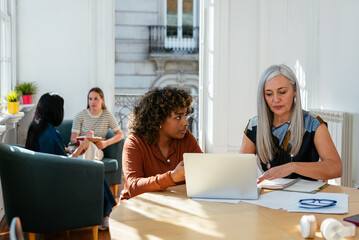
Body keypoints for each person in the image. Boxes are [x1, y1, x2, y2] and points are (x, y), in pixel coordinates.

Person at [25, 92, 116, 231]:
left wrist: (68, 150)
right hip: (56, 182)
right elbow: (63, 165)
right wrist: (80, 148)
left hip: (41, 179)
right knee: (95, 171)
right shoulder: (51, 134)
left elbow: (53, 155)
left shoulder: (36, 128)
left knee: (93, 169)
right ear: (55, 111)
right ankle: (106, 215)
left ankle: (105, 214)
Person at [240, 64, 342, 183]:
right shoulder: (254, 126)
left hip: (303, 197)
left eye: (282, 92)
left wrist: (292, 167)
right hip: (268, 195)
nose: (276, 99)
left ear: (294, 91)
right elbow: (240, 170)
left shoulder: (314, 125)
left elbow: (336, 168)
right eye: (269, 94)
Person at [120, 87, 202, 201]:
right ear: (158, 120)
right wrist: (171, 177)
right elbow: (134, 187)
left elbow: (203, 172)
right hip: (136, 208)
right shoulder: (134, 142)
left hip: (175, 205)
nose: (186, 122)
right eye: (178, 117)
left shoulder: (186, 137)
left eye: (185, 116)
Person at [70, 87, 123, 160]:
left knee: (91, 149)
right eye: (90, 99)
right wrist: (85, 138)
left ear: (102, 100)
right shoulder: (80, 115)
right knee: (87, 146)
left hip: (97, 150)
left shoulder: (107, 115)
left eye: (95, 99)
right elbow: (73, 139)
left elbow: (120, 135)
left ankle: (76, 160)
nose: (92, 102)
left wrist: (106, 143)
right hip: (78, 147)